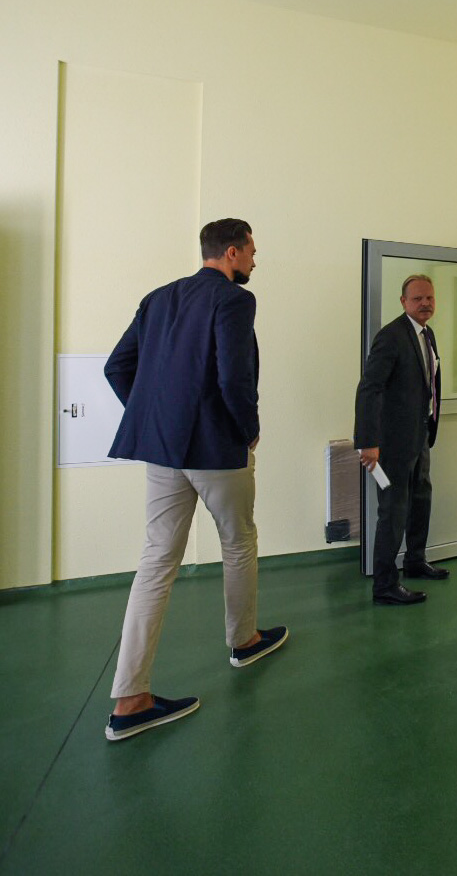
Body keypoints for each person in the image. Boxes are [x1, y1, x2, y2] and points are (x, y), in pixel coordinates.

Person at [102, 218, 287, 742]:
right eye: (251, 251)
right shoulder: (234, 300)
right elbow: (233, 377)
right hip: (216, 450)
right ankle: (244, 642)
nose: (254, 260)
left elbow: (117, 367)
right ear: (231, 253)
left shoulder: (157, 298)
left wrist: (157, 417)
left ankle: (129, 700)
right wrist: (248, 430)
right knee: (239, 541)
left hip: (163, 452)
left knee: (156, 560)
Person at [354, 274, 449, 606]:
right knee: (393, 512)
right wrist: (368, 441)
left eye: (429, 298)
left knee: (421, 499)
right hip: (391, 443)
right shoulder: (391, 336)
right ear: (403, 302)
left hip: (419, 436)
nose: (425, 303)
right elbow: (369, 388)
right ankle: (385, 585)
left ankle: (415, 560)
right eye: (417, 298)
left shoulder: (426, 333)